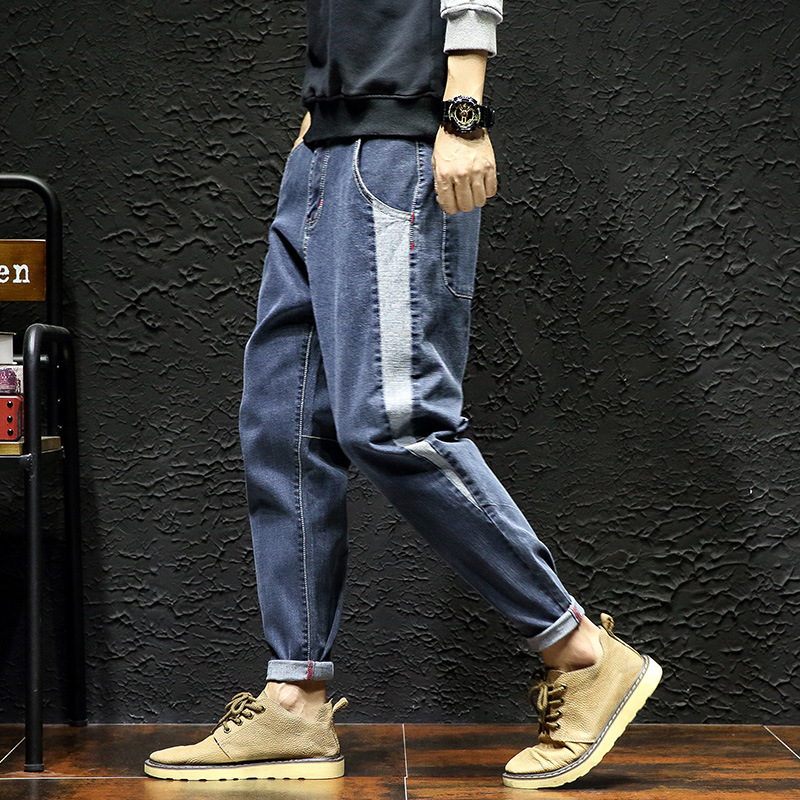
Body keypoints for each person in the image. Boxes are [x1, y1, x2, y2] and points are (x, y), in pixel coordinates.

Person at [144, 0, 661, 790]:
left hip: (398, 146)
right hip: (324, 148)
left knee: (397, 421)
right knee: (282, 425)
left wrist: (462, 112)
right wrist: (316, 125)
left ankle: (582, 652)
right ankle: (294, 701)